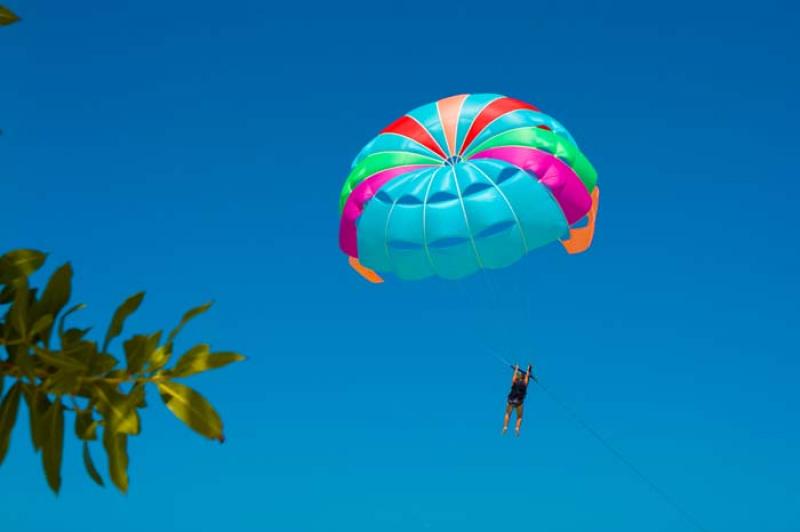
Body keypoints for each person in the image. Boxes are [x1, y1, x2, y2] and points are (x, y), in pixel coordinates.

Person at [502, 364, 533, 436]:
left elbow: (514, 377)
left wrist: (516, 369)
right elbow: (527, 377)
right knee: (519, 416)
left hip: (511, 400)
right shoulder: (524, 383)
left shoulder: (514, 382)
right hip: (518, 402)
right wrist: (529, 369)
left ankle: (505, 427)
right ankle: (517, 429)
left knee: (507, 414)